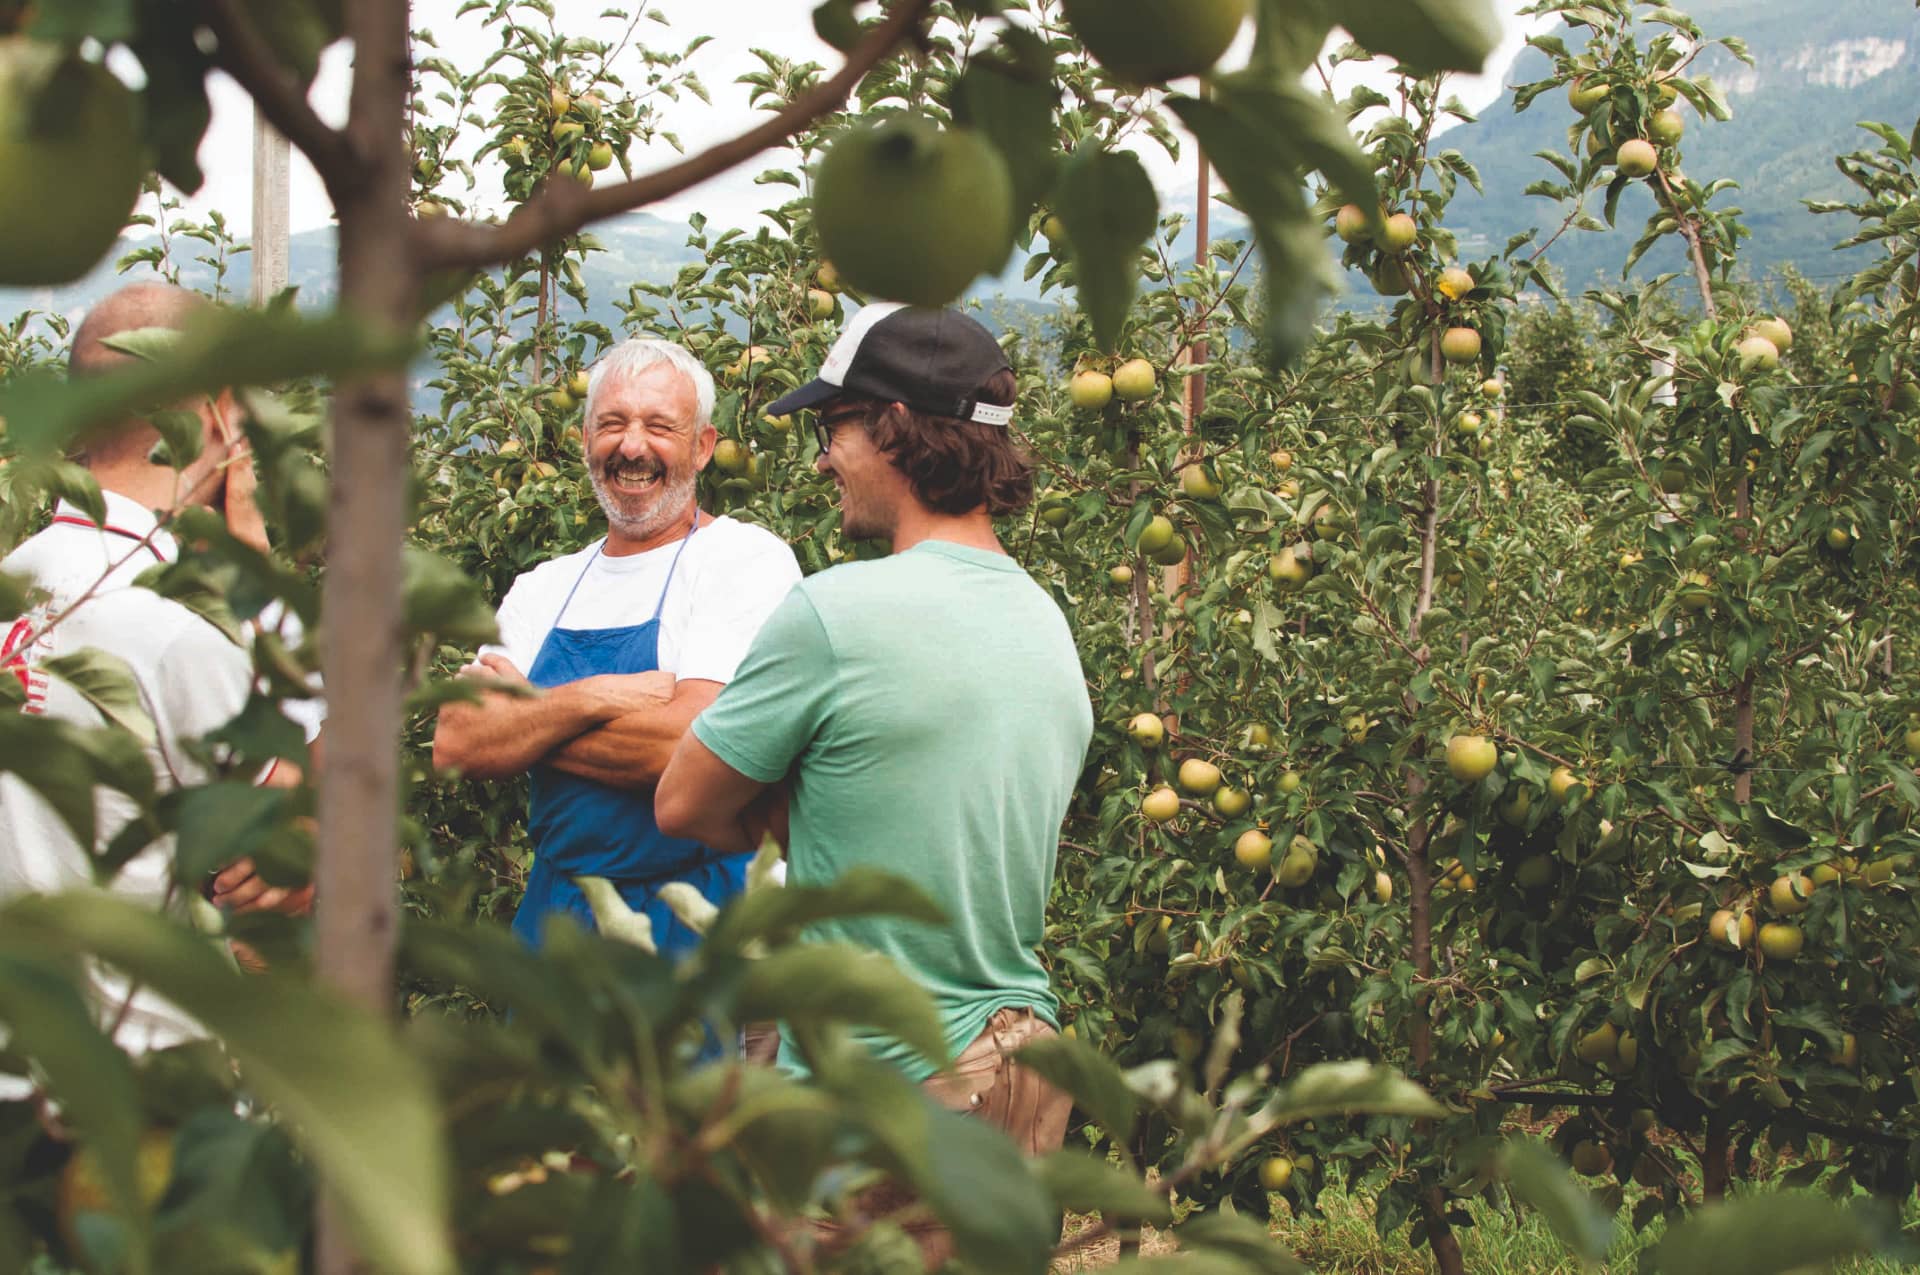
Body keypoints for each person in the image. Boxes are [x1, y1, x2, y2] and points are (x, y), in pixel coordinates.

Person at [655, 303, 1095, 1264]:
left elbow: (682, 802)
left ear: (893, 427)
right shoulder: (1047, 626)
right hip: (1020, 1069)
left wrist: (784, 796)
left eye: (832, 428)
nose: (821, 460)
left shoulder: (831, 613)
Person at [0, 281, 319, 1058]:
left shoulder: (16, 580)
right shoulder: (182, 629)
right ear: (211, 415)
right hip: (140, 1091)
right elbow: (288, 881)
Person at [432, 338, 800, 959]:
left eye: (659, 426)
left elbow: (691, 749)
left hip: (703, 921)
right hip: (557, 922)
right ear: (584, 441)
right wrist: (600, 695)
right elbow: (459, 740)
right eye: (611, 424)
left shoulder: (741, 560)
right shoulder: (542, 586)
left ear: (703, 447)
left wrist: (527, 714)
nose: (632, 446)